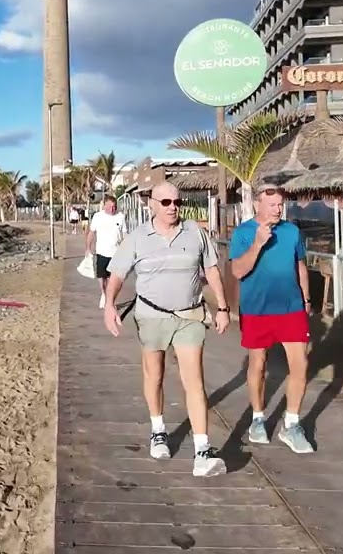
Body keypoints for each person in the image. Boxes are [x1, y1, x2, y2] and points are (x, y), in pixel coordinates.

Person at [103, 182, 232, 477]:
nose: (173, 207)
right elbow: (117, 274)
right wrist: (109, 305)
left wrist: (223, 308)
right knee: (155, 374)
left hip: (190, 315)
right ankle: (158, 430)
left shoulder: (195, 232)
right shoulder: (137, 238)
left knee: (194, 380)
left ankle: (202, 451)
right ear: (152, 204)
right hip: (151, 317)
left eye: (177, 201)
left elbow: (211, 270)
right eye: (166, 202)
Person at [228, 186, 314, 454]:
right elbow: (238, 271)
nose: (278, 209)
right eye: (272, 205)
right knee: (258, 363)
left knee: (300, 365)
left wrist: (306, 298)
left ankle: (292, 424)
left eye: (280, 204)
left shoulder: (291, 231)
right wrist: (258, 243)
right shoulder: (243, 233)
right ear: (257, 205)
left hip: (291, 308)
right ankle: (258, 419)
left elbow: (300, 265)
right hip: (257, 309)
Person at [86, 194, 127, 308]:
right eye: (110, 207)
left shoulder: (120, 216)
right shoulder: (98, 217)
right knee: (102, 277)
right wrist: (88, 248)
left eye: (114, 207)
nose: (112, 209)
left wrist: (127, 249)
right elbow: (91, 233)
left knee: (112, 279)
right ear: (104, 206)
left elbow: (125, 234)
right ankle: (104, 294)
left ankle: (110, 300)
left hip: (116, 253)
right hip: (101, 252)